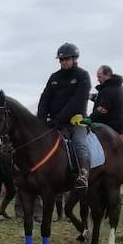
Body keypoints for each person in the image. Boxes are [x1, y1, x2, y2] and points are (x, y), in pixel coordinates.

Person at [38, 42, 92, 187]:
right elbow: (45, 98)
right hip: (55, 122)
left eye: (66, 59)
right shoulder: (54, 77)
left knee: (79, 143)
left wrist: (58, 119)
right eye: (61, 60)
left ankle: (83, 175)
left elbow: (77, 101)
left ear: (74, 59)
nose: (63, 62)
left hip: (75, 122)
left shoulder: (83, 76)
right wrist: (41, 119)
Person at [92, 66, 123, 134]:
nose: (98, 80)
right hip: (122, 126)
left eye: (99, 77)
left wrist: (89, 119)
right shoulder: (119, 87)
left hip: (111, 127)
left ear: (108, 75)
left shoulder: (108, 90)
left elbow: (102, 110)